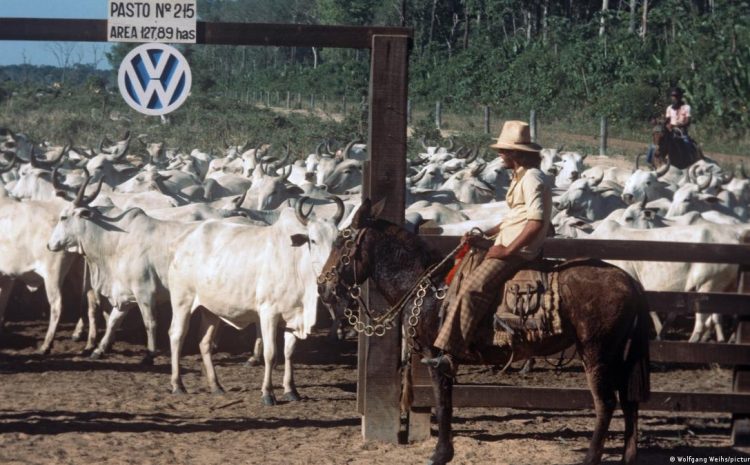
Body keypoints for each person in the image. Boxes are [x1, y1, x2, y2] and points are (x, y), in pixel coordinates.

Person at [421, 120, 552, 377]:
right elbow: (517, 217)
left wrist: (506, 250)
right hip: (507, 241)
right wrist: (488, 235)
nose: (500, 155)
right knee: (463, 275)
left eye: (504, 150)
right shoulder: (522, 176)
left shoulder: (532, 178)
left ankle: (452, 354)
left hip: (518, 251)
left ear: (517, 153)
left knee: (472, 288)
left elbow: (536, 222)